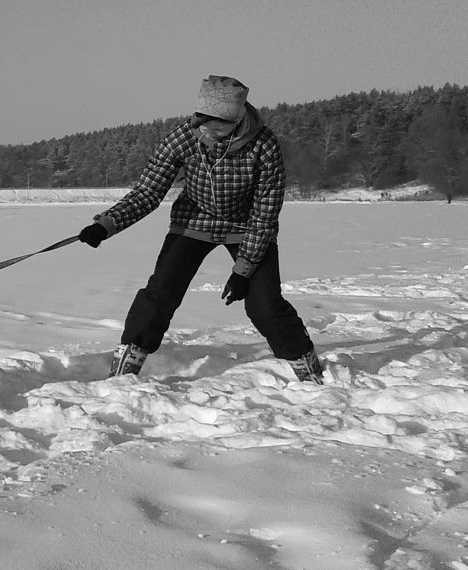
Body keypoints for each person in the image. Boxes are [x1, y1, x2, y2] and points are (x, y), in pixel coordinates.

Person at [78, 74, 323, 383]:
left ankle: (304, 361)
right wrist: (106, 225)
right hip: (194, 221)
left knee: (264, 305)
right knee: (160, 293)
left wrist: (243, 269)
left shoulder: (264, 145)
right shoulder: (184, 137)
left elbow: (265, 213)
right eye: (200, 122)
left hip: (248, 227)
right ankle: (129, 359)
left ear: (235, 120)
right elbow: (148, 191)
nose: (205, 131)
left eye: (215, 126)